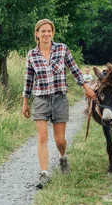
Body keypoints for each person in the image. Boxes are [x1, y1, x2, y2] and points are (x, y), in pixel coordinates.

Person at [22, 19, 96, 189]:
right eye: (43, 31)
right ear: (37, 34)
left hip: (60, 99)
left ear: (52, 33)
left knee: (59, 140)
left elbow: (75, 70)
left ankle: (63, 158)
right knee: (42, 137)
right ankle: (44, 174)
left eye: (49, 31)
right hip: (40, 99)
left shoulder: (62, 49)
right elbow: (28, 80)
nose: (46, 34)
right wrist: (25, 103)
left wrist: (86, 88)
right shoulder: (32, 55)